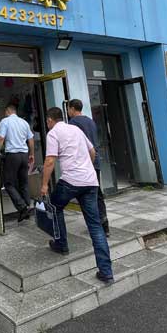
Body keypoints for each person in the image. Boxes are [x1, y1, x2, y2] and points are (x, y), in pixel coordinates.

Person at [40, 107, 113, 283]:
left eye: (47, 121)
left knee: (55, 207)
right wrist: (86, 167)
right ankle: (106, 272)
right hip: (90, 181)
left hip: (71, 181)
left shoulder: (53, 133)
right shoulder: (76, 129)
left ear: (50, 120)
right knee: (95, 226)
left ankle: (61, 244)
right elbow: (92, 151)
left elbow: (50, 160)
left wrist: (44, 185)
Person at [67, 99, 109, 236]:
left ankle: (95, 227)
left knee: (85, 197)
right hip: (95, 161)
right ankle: (104, 225)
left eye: (68, 109)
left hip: (83, 163)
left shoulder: (73, 123)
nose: (68, 111)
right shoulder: (91, 121)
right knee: (97, 194)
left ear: (72, 109)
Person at [0, 103, 36, 222]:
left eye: (5, 112)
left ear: (8, 111)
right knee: (23, 182)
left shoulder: (5, 121)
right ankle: (27, 208)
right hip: (24, 155)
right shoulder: (24, 122)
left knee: (8, 183)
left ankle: (22, 207)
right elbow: (31, 139)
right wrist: (31, 154)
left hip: (12, 155)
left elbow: (1, 138)